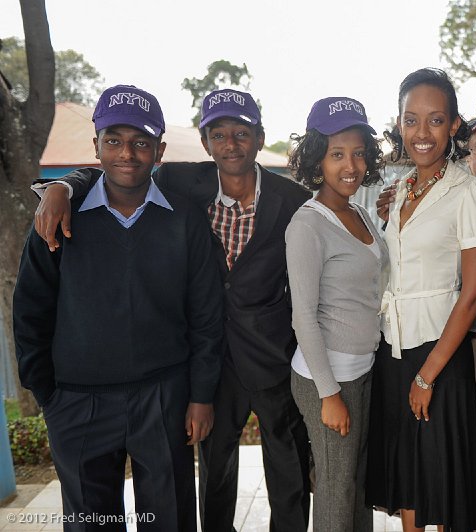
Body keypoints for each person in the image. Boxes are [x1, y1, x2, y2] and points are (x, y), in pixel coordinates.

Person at [31, 89, 312, 532]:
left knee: (275, 467)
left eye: (242, 133)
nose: (231, 144)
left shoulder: (286, 199)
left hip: (250, 360)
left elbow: (309, 270)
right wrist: (63, 185)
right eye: (219, 134)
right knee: (200, 473)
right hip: (150, 377)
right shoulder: (180, 183)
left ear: (259, 138)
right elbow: (113, 173)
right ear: (205, 143)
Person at [13, 85, 224, 531]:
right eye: (114, 141)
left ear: (159, 151)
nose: (127, 153)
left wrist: (200, 395)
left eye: (141, 142)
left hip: (162, 397)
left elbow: (206, 314)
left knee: (168, 519)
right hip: (77, 400)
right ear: (96, 146)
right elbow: (31, 309)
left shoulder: (184, 219)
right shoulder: (58, 218)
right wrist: (47, 394)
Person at [366, 68, 476, 532]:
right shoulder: (398, 191)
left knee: (445, 489)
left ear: (454, 125)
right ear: (399, 124)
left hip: (439, 355)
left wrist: (427, 375)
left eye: (435, 120)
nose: (422, 133)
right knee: (409, 485)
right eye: (411, 120)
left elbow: (472, 294)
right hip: (393, 350)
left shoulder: (470, 192)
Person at [285, 96, 388, 532]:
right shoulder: (307, 225)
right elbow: (303, 317)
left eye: (359, 153)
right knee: (335, 486)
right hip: (327, 377)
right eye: (337, 154)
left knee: (357, 484)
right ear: (316, 159)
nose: (352, 165)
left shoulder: (360, 212)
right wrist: (329, 394)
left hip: (362, 370)